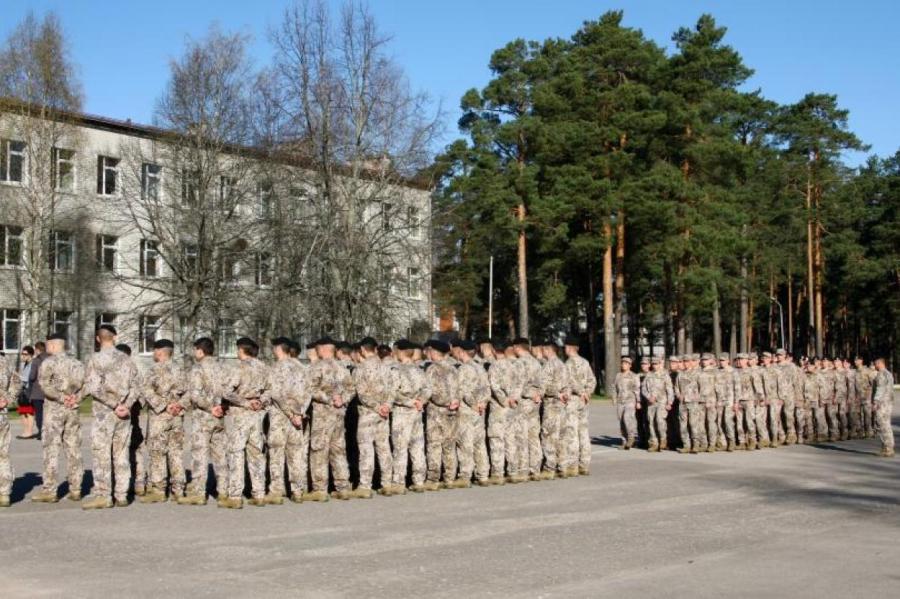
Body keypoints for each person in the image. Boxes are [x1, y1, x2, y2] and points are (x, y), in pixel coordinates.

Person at [82, 325, 138, 509]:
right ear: (115, 337)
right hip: (123, 413)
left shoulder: (95, 360)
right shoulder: (127, 360)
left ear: (98, 339)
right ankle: (122, 494)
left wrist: (114, 405)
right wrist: (126, 405)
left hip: (104, 413)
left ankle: (104, 495)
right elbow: (136, 386)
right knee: (121, 453)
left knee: (101, 454)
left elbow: (93, 387)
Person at [31, 333, 84, 503]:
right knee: (73, 448)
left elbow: (45, 385)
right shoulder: (77, 363)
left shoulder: (49, 362)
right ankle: (76, 488)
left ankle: (50, 490)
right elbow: (86, 384)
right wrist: (76, 398)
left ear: (53, 345)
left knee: (51, 449)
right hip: (72, 409)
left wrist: (61, 398)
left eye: (48, 346)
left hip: (54, 410)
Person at [220, 337, 269, 509]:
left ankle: (235, 495)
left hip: (241, 414)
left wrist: (245, 402)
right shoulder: (264, 368)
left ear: (242, 350)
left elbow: (226, 392)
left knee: (236, 453)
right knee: (256, 453)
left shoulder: (238, 368)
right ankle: (259, 493)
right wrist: (260, 401)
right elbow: (271, 390)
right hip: (257, 414)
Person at [178, 337, 228, 506]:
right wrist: (221, 407)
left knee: (199, 454)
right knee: (220, 455)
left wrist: (209, 407)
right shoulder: (222, 368)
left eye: (195, 349)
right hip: (219, 417)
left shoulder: (197, 369)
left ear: (200, 350)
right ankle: (223, 490)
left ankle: (199, 492)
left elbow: (195, 395)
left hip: (203, 418)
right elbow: (229, 390)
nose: (194, 353)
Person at [304, 337, 354, 502]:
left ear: (324, 349)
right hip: (339, 413)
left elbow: (310, 388)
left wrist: (328, 398)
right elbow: (351, 388)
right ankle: (343, 487)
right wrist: (342, 399)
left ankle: (320, 489)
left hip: (323, 415)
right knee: (338, 450)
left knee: (319, 450)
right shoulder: (342, 367)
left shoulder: (317, 366)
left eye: (318, 348)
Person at [262, 337, 310, 504]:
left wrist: (290, 414)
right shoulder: (302, 368)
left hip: (280, 418)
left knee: (276, 453)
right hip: (297, 418)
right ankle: (298, 490)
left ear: (278, 349)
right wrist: (300, 413)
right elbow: (308, 393)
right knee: (296, 454)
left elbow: (276, 394)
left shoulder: (275, 368)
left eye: (274, 348)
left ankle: (276, 490)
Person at [140, 339, 187, 503]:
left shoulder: (153, 370)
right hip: (176, 417)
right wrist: (178, 405)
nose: (154, 354)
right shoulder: (180, 370)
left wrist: (164, 406)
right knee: (176, 453)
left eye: (154, 351)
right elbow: (189, 392)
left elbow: (146, 390)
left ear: (159, 352)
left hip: (159, 417)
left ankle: (159, 490)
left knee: (157, 453)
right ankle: (178, 490)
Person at [352, 337, 395, 498]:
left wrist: (377, 407)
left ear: (363, 350)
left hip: (369, 413)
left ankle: (365, 485)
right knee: (384, 448)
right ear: (376, 349)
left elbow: (362, 394)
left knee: (366, 450)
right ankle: (387, 483)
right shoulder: (386, 367)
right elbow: (392, 390)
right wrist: (386, 406)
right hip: (383, 414)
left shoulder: (360, 369)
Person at [390, 340, 430, 493]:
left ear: (400, 352)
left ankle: (399, 482)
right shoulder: (419, 370)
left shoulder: (396, 371)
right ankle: (419, 481)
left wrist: (409, 401)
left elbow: (392, 393)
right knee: (417, 447)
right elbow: (428, 389)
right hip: (417, 412)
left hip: (402, 413)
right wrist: (421, 401)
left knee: (400, 448)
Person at [423, 340, 461, 489]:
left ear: (433, 351)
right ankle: (450, 477)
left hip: (437, 412)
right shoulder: (454, 369)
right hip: (453, 410)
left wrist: (421, 401)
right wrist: (455, 401)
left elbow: (430, 391)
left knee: (434, 445)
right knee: (449, 445)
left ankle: (433, 479)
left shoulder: (432, 369)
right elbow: (459, 389)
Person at [454, 340, 491, 487]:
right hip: (479, 411)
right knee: (479, 443)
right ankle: (483, 475)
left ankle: (465, 476)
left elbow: (463, 391)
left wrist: (474, 404)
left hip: (468, 411)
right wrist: (483, 403)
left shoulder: (464, 369)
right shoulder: (480, 367)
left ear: (462, 352)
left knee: (466, 444)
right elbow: (487, 389)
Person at [563, 337, 596, 475]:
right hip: (583, 401)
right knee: (583, 432)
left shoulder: (569, 363)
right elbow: (592, 380)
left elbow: (569, 381)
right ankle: (585, 464)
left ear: (570, 348)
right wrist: (587, 392)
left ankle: (573, 465)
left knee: (572, 432)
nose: (564, 349)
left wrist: (581, 392)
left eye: (565, 347)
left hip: (573, 401)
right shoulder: (585, 362)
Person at [0, 352, 22, 507]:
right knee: (3, 454)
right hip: (1, 414)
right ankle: (4, 493)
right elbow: (17, 382)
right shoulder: (5, 361)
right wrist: (7, 399)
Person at [611, 356, 640, 450]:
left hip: (630, 401)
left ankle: (631, 438)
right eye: (623, 363)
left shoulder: (634, 376)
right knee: (621, 422)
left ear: (630, 365)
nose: (624, 365)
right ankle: (624, 441)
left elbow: (637, 390)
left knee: (627, 419)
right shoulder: (618, 375)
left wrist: (638, 401)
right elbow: (614, 387)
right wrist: (614, 398)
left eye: (626, 363)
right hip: (620, 401)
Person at [872, 357, 895, 458]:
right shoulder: (889, 374)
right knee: (887, 425)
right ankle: (889, 447)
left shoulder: (881, 374)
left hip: (882, 404)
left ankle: (887, 448)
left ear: (880, 363)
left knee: (882, 425)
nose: (875, 366)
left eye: (876, 364)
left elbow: (880, 389)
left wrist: (875, 402)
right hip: (888, 403)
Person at [28, 341, 47, 440]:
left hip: (37, 391)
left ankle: (41, 432)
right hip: (48, 391)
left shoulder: (36, 361)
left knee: (39, 413)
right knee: (48, 413)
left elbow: (32, 376)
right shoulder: (51, 359)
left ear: (37, 349)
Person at [15, 346, 35, 439]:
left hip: (29, 391)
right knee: (22, 412)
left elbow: (27, 379)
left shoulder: (32, 364)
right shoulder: (25, 364)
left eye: (25, 354)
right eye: (22, 354)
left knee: (29, 412)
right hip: (23, 391)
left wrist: (17, 376)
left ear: (30, 355)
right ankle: (25, 431)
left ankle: (29, 432)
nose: (23, 356)